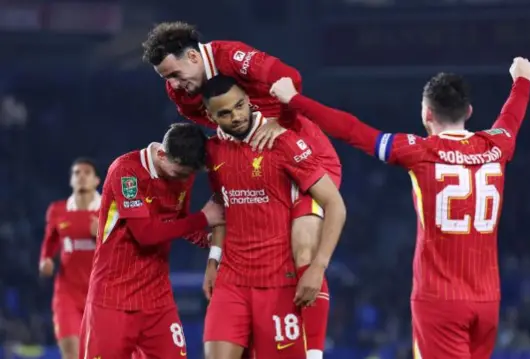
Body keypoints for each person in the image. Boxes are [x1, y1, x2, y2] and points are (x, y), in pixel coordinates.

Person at [268, 58, 530, 359]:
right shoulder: (497, 146)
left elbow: (351, 130)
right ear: (469, 112)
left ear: (426, 113)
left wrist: (294, 99)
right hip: (487, 301)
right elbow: (511, 117)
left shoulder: (418, 151)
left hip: (440, 300)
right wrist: (522, 81)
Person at [142, 21, 339, 357]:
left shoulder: (232, 56)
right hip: (254, 156)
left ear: (193, 56)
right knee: (236, 215)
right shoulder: (182, 95)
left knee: (302, 250)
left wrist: (281, 121)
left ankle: (313, 351)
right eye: (166, 78)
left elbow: (292, 77)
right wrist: (215, 256)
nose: (173, 84)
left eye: (174, 74)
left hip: (306, 151)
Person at [79, 135, 225, 358]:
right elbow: (145, 234)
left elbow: (179, 219)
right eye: (179, 173)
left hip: (158, 300)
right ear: (161, 155)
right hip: (114, 298)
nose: (183, 179)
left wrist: (205, 240)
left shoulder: (182, 171)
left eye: (188, 175)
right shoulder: (126, 171)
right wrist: (203, 218)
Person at [38, 158, 101, 359]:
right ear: (71, 180)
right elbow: (49, 246)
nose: (81, 176)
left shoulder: (109, 211)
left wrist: (100, 233)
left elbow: (124, 249)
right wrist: (45, 262)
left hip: (102, 297)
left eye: (86, 172)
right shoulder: (58, 210)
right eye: (76, 173)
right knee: (71, 353)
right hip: (67, 295)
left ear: (97, 180)